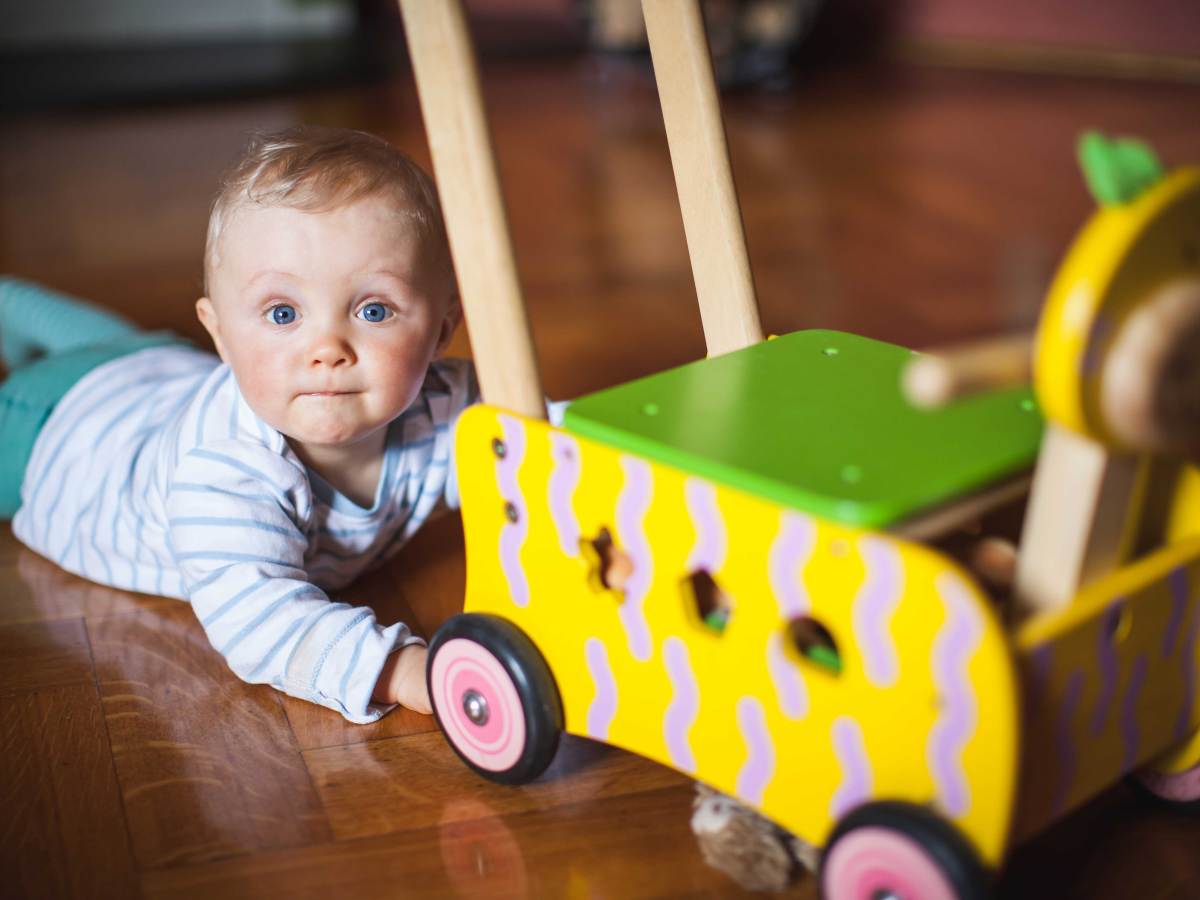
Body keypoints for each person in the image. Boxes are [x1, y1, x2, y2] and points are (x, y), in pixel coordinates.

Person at [0, 125, 475, 722]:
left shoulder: (451, 408)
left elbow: (542, 445)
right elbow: (264, 621)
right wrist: (399, 669)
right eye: (283, 313)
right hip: (52, 433)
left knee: (112, 345)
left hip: (152, 366)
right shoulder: (223, 472)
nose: (327, 348)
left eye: (373, 309)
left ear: (441, 328)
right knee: (71, 360)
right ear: (221, 333)